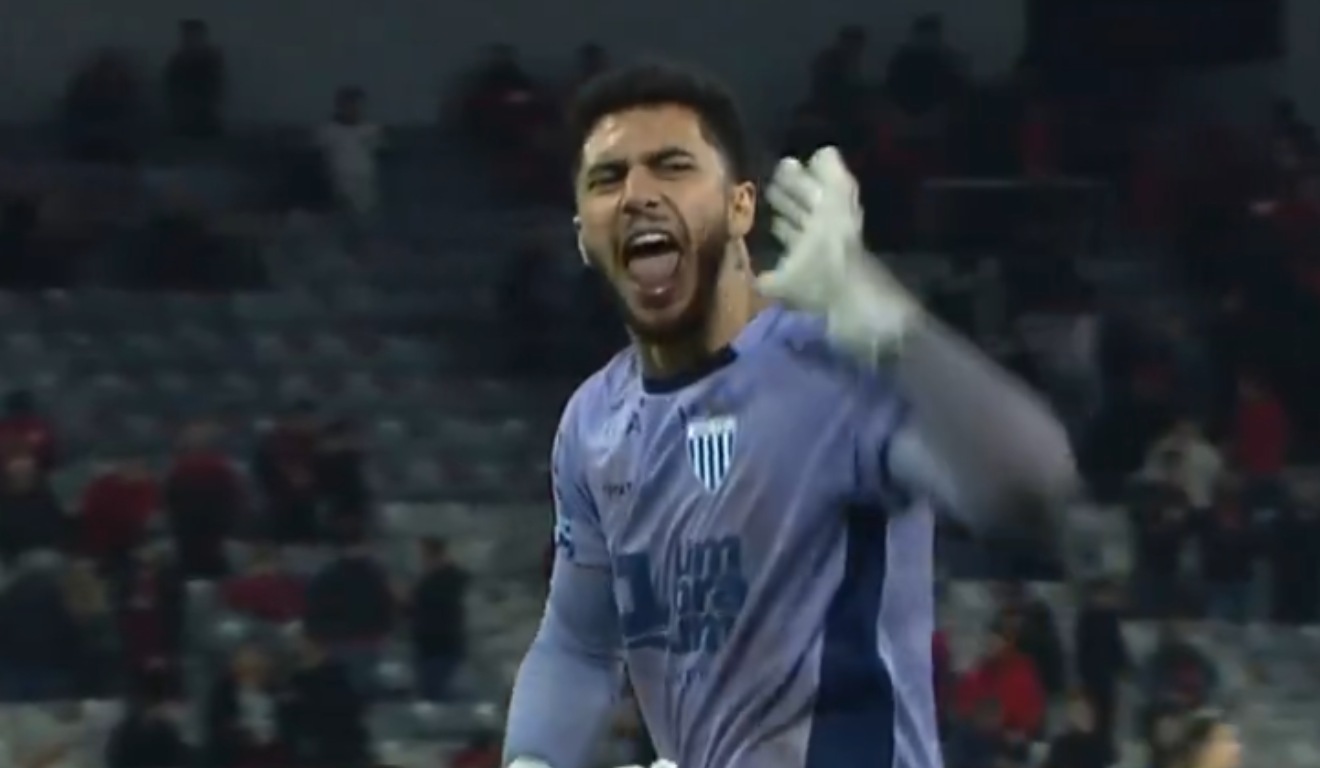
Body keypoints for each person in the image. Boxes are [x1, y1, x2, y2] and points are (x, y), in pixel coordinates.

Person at [504, 62, 1076, 768]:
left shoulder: (836, 369)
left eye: (672, 166)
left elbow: (1032, 494)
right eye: (608, 178)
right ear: (584, 235)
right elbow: (578, 644)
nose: (638, 195)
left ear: (742, 207)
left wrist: (887, 315)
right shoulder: (593, 421)